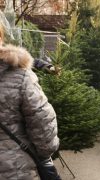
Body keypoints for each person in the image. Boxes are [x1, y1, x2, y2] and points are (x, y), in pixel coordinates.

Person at [0, 25, 60, 179]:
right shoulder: (21, 76)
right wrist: (45, 155)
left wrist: (49, 67)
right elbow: (43, 123)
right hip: (16, 168)